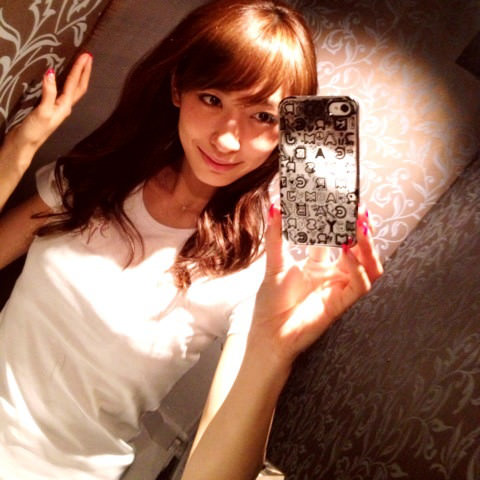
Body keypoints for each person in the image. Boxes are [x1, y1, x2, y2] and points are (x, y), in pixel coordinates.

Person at [0, 0, 383, 478]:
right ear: (178, 87)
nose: (228, 140)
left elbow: (210, 472)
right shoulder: (96, 177)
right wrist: (23, 145)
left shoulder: (254, 271)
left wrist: (273, 353)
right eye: (213, 99)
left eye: (263, 117)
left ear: (286, 133)